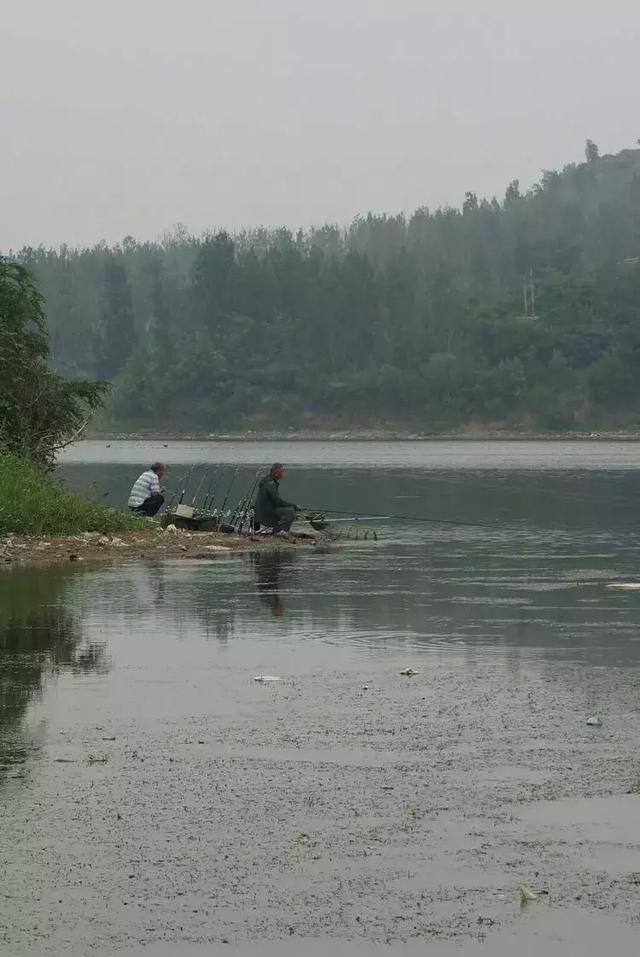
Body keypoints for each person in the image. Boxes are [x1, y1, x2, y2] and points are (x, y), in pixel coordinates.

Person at [254, 463, 298, 534]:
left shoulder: (267, 480)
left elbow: (275, 501)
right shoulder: (271, 484)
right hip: (267, 514)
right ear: (276, 473)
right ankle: (278, 532)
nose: (283, 474)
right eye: (282, 471)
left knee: (288, 509)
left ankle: (278, 529)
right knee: (290, 511)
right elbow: (277, 501)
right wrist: (293, 505)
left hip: (261, 513)